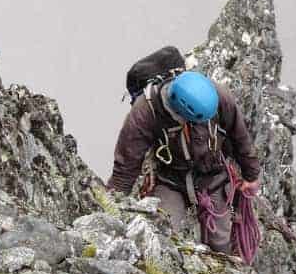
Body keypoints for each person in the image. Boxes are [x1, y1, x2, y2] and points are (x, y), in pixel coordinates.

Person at [107, 70, 260, 253]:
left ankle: (223, 271)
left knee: (220, 241)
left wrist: (251, 176)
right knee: (164, 233)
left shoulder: (220, 97)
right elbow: (125, 168)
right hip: (170, 179)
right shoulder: (145, 113)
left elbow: (240, 137)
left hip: (213, 174)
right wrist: (109, 211)